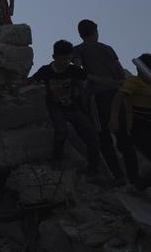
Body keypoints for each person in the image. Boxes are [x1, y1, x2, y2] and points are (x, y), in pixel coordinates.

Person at [75, 20, 141, 187]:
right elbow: (120, 72)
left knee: (103, 137)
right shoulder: (107, 48)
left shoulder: (79, 50)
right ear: (96, 31)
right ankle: (135, 178)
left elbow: (77, 71)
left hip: (97, 97)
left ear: (80, 34)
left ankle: (119, 176)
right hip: (116, 94)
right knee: (123, 135)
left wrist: (92, 80)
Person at [31, 40, 105, 179]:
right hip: (55, 108)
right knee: (61, 131)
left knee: (92, 138)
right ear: (54, 57)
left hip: (73, 108)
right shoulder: (46, 70)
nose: (67, 62)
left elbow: (91, 77)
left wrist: (111, 82)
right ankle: (57, 161)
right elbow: (31, 81)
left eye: (69, 59)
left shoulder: (73, 70)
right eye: (64, 59)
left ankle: (93, 169)